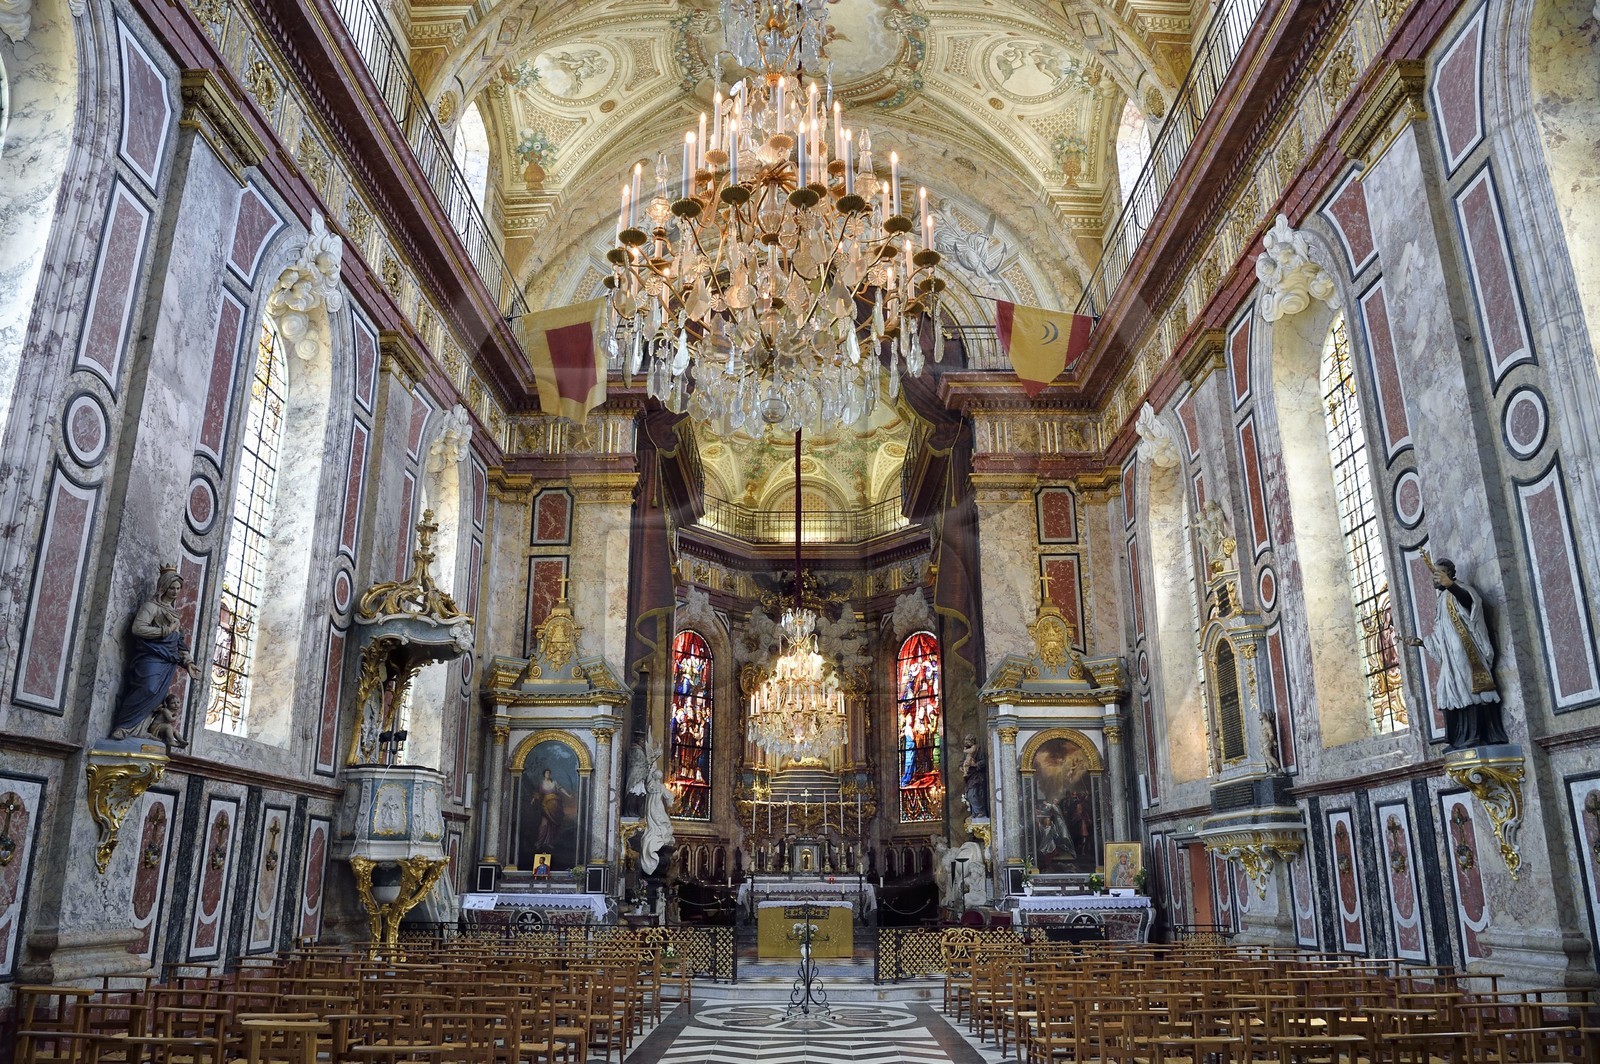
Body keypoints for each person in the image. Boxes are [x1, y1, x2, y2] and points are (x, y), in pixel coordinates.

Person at [1404, 555, 1504, 751]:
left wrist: (1451, 585)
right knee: (1447, 690)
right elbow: (1441, 633)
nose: (1434, 579)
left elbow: (1469, 603)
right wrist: (1424, 643)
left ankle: (1476, 736)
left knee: (1468, 688)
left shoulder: (1460, 590)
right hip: (1450, 655)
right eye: (1434, 575)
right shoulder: (1441, 599)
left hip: (1465, 651)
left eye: (1438, 574)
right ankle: (1458, 738)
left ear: (1449, 575)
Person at [110, 566, 201, 742]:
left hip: (168, 662)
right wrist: (165, 631)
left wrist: (188, 663)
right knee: (147, 688)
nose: (175, 592)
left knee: (157, 696)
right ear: (163, 587)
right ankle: (123, 726)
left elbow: (178, 641)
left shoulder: (173, 612)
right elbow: (138, 628)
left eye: (177, 589)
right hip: (151, 656)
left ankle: (142, 729)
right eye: (171, 588)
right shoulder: (151, 606)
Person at [533, 768, 570, 850]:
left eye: (549, 773)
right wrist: (533, 799)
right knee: (544, 825)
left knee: (552, 826)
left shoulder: (554, 782)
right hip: (546, 806)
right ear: (544, 774)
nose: (548, 774)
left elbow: (561, 789)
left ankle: (548, 842)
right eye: (546, 773)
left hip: (555, 808)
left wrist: (568, 795)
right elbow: (538, 794)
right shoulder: (541, 783)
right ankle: (539, 842)